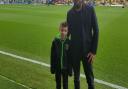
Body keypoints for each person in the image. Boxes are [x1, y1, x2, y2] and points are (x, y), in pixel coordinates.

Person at [67, 0, 99, 89]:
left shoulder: (90, 9)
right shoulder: (69, 13)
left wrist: (93, 51)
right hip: (75, 51)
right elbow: (68, 32)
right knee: (76, 79)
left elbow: (96, 30)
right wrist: (59, 39)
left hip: (87, 52)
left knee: (90, 80)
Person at [50, 21, 72, 89]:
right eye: (62, 30)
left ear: (67, 31)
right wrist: (52, 67)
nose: (63, 32)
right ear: (59, 29)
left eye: (65, 31)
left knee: (65, 85)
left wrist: (70, 69)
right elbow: (52, 56)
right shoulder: (55, 41)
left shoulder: (69, 42)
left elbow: (70, 57)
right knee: (58, 84)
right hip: (58, 68)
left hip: (65, 68)